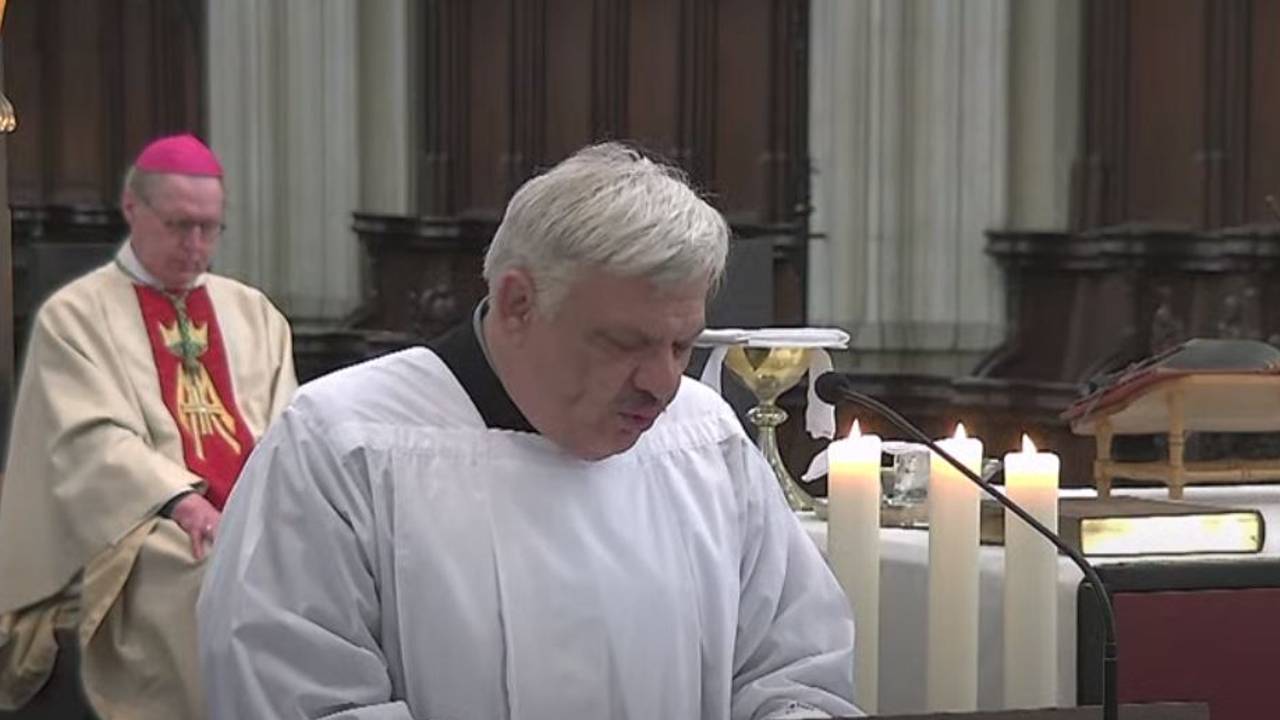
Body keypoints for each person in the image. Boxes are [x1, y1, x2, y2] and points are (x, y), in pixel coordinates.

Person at [198, 143, 860, 719]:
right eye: (623, 342)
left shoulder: (702, 436)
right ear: (518, 302)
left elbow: (790, 662)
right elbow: (298, 692)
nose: (662, 382)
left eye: (682, 345)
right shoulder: (341, 444)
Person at [0, 134, 297, 720]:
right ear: (133, 210)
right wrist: (184, 502)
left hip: (248, 508)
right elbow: (89, 441)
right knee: (203, 569)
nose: (196, 246)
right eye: (179, 225)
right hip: (135, 523)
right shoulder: (76, 315)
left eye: (210, 228)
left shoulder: (253, 312)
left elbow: (286, 428)